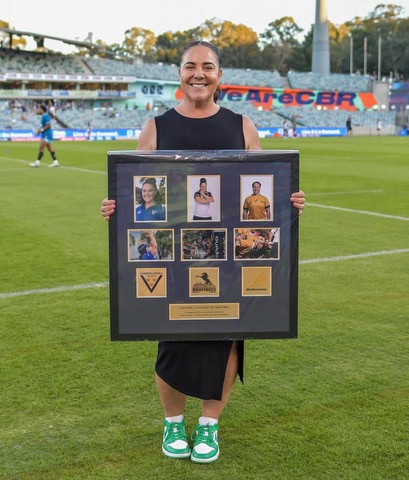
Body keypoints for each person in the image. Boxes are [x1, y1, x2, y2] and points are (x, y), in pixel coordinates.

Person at [100, 40, 305, 464]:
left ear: (219, 75)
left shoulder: (243, 126)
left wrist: (289, 198)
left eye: (207, 66)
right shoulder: (155, 128)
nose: (199, 73)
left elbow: (265, 186)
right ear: (179, 74)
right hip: (174, 256)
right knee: (171, 341)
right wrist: (115, 209)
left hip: (229, 256)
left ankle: (209, 426)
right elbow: (138, 193)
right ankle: (173, 422)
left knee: (224, 341)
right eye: (190, 66)